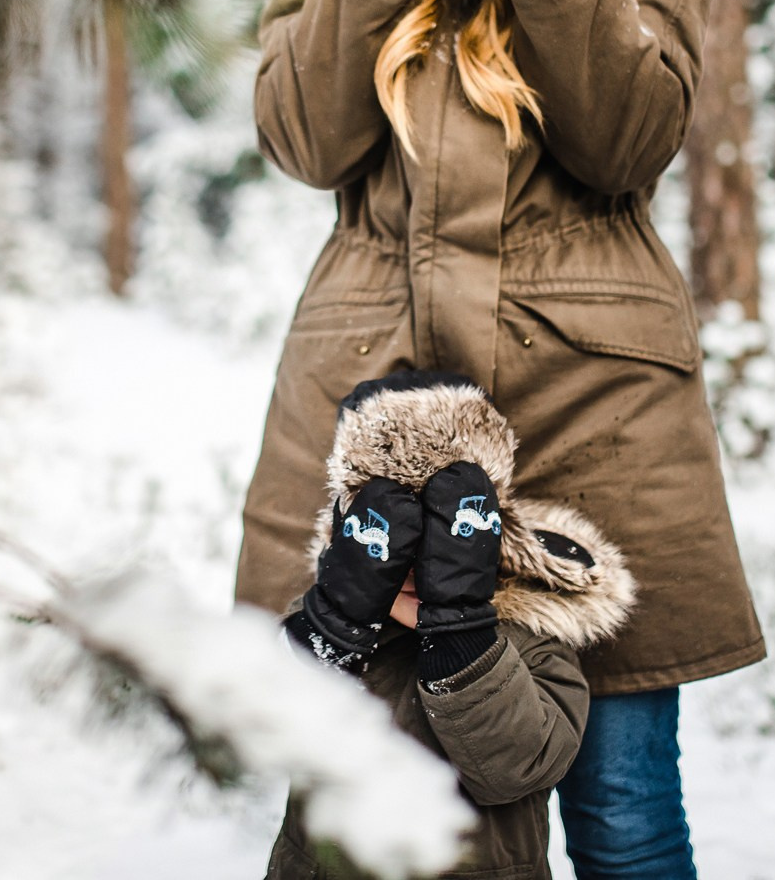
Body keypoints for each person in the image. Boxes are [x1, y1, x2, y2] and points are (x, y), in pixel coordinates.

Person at [234, 0, 766, 880]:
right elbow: (302, 137)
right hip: (378, 405)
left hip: (596, 407)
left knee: (623, 808)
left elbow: (630, 138)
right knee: (382, 799)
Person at [268, 371, 634, 879]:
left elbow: (522, 766)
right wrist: (336, 624)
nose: (420, 563)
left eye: (445, 536)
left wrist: (462, 630)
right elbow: (261, 732)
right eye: (395, 533)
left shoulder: (534, 630)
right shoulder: (323, 620)